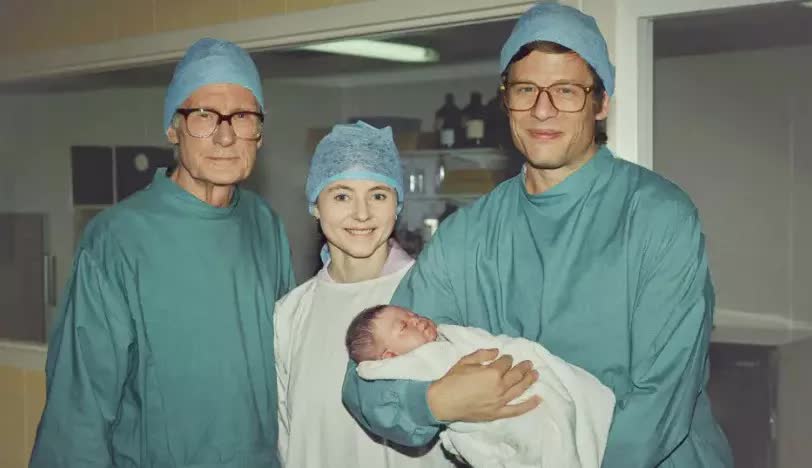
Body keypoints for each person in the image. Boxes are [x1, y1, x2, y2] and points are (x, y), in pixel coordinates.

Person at [342, 4, 734, 467]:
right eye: (526, 90)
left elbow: (661, 398)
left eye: (566, 91)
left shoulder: (656, 217)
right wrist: (436, 402)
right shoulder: (468, 236)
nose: (542, 110)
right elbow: (365, 378)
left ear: (601, 103)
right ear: (505, 100)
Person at [30, 38, 296, 468]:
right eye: (204, 115)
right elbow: (79, 409)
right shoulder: (117, 240)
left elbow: (289, 369)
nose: (226, 135)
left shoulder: (265, 226)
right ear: (173, 128)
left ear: (260, 134)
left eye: (243, 117)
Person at [274, 121, 452, 468]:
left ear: (397, 204)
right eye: (341, 195)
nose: (361, 213)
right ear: (315, 205)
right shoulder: (290, 314)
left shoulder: (432, 296)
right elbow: (286, 437)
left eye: (378, 195)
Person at [346, 304, 615, 468]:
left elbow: (493, 345)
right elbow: (369, 374)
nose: (416, 320)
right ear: (389, 357)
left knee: (557, 413)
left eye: (413, 314)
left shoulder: (451, 337)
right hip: (490, 425)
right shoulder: (410, 366)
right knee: (540, 441)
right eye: (404, 326)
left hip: (522, 382)